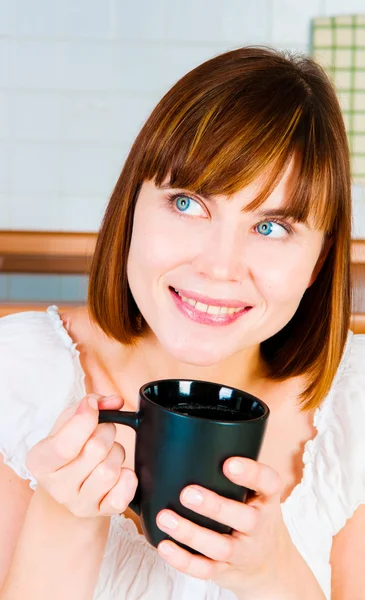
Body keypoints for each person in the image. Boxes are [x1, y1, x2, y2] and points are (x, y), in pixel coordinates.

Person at [0, 45, 364, 600]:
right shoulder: (17, 376)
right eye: (189, 204)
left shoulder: (351, 406)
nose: (218, 267)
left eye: (271, 228)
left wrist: (273, 574)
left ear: (319, 259)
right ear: (131, 210)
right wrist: (64, 518)